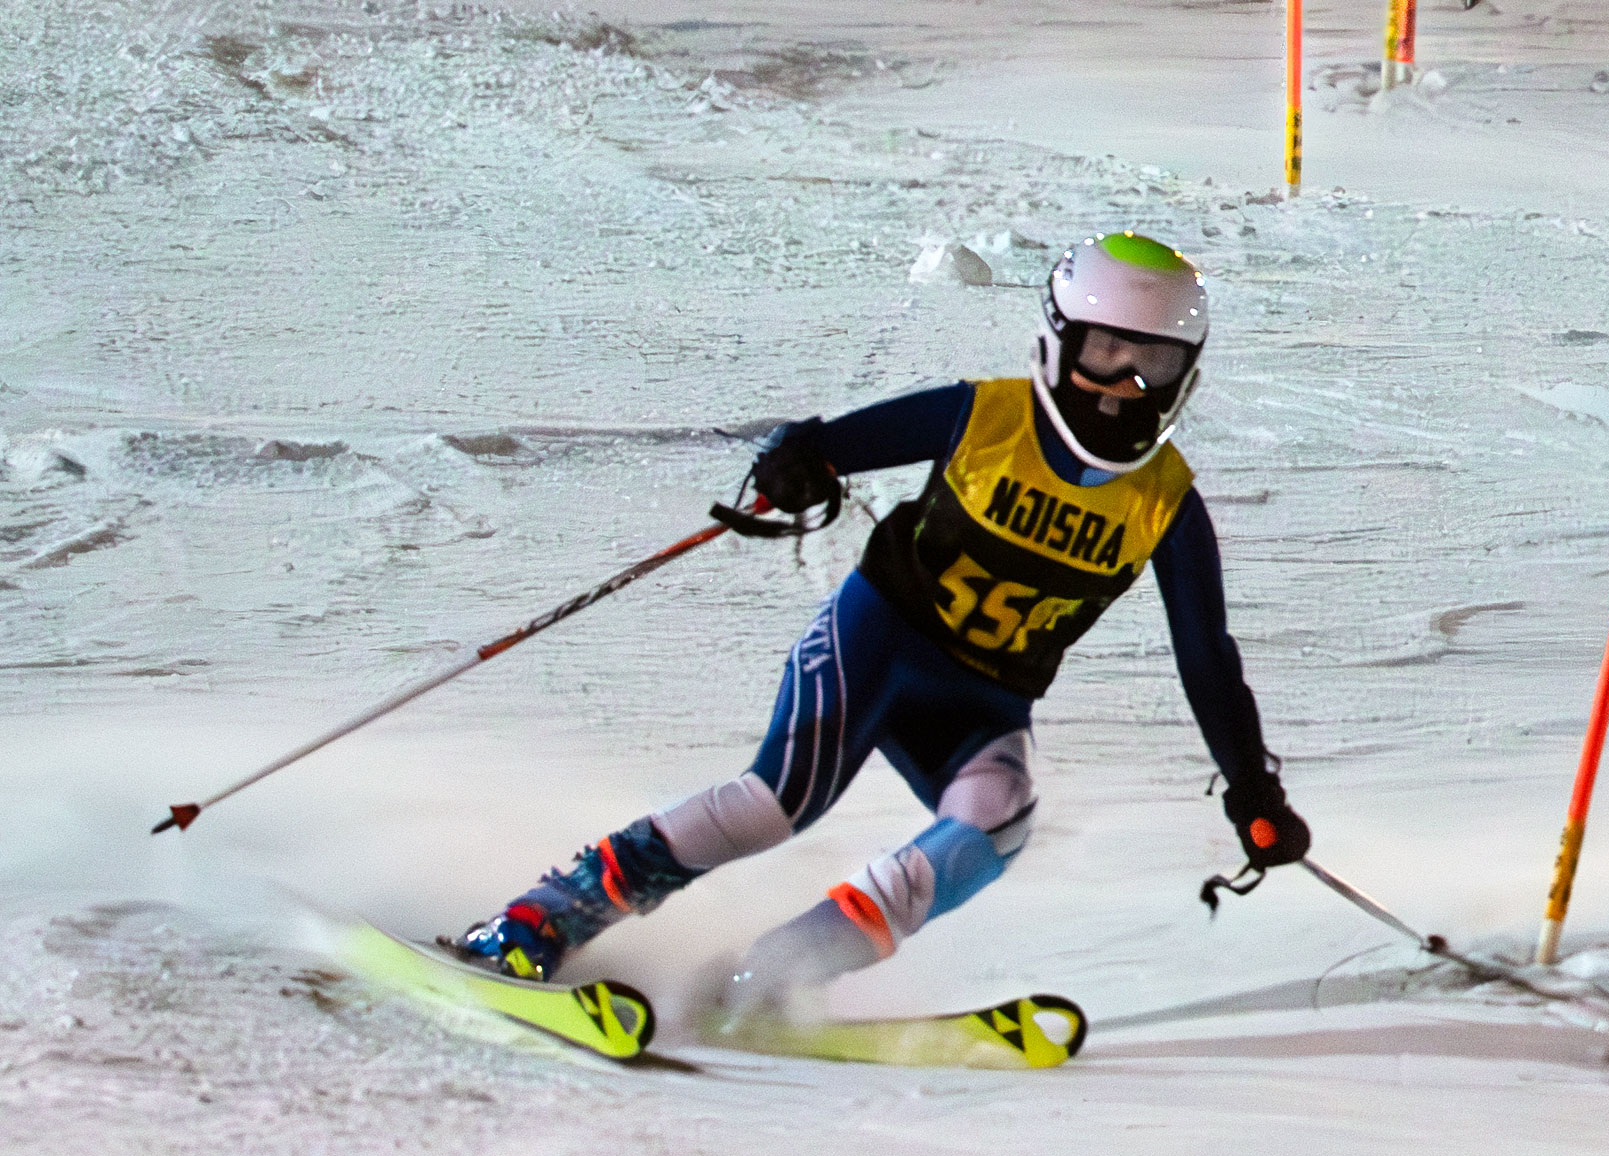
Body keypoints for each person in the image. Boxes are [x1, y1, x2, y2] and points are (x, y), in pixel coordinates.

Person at [445, 230, 1312, 1013]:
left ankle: (774, 977)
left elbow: (1206, 658)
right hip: (877, 646)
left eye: (1152, 365)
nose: (1124, 386)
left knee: (996, 822)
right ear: (1057, 343)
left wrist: (1252, 788)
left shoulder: (1166, 504)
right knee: (776, 804)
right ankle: (537, 920)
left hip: (984, 702)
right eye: (1105, 354)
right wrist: (794, 465)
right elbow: (821, 445)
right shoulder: (985, 416)